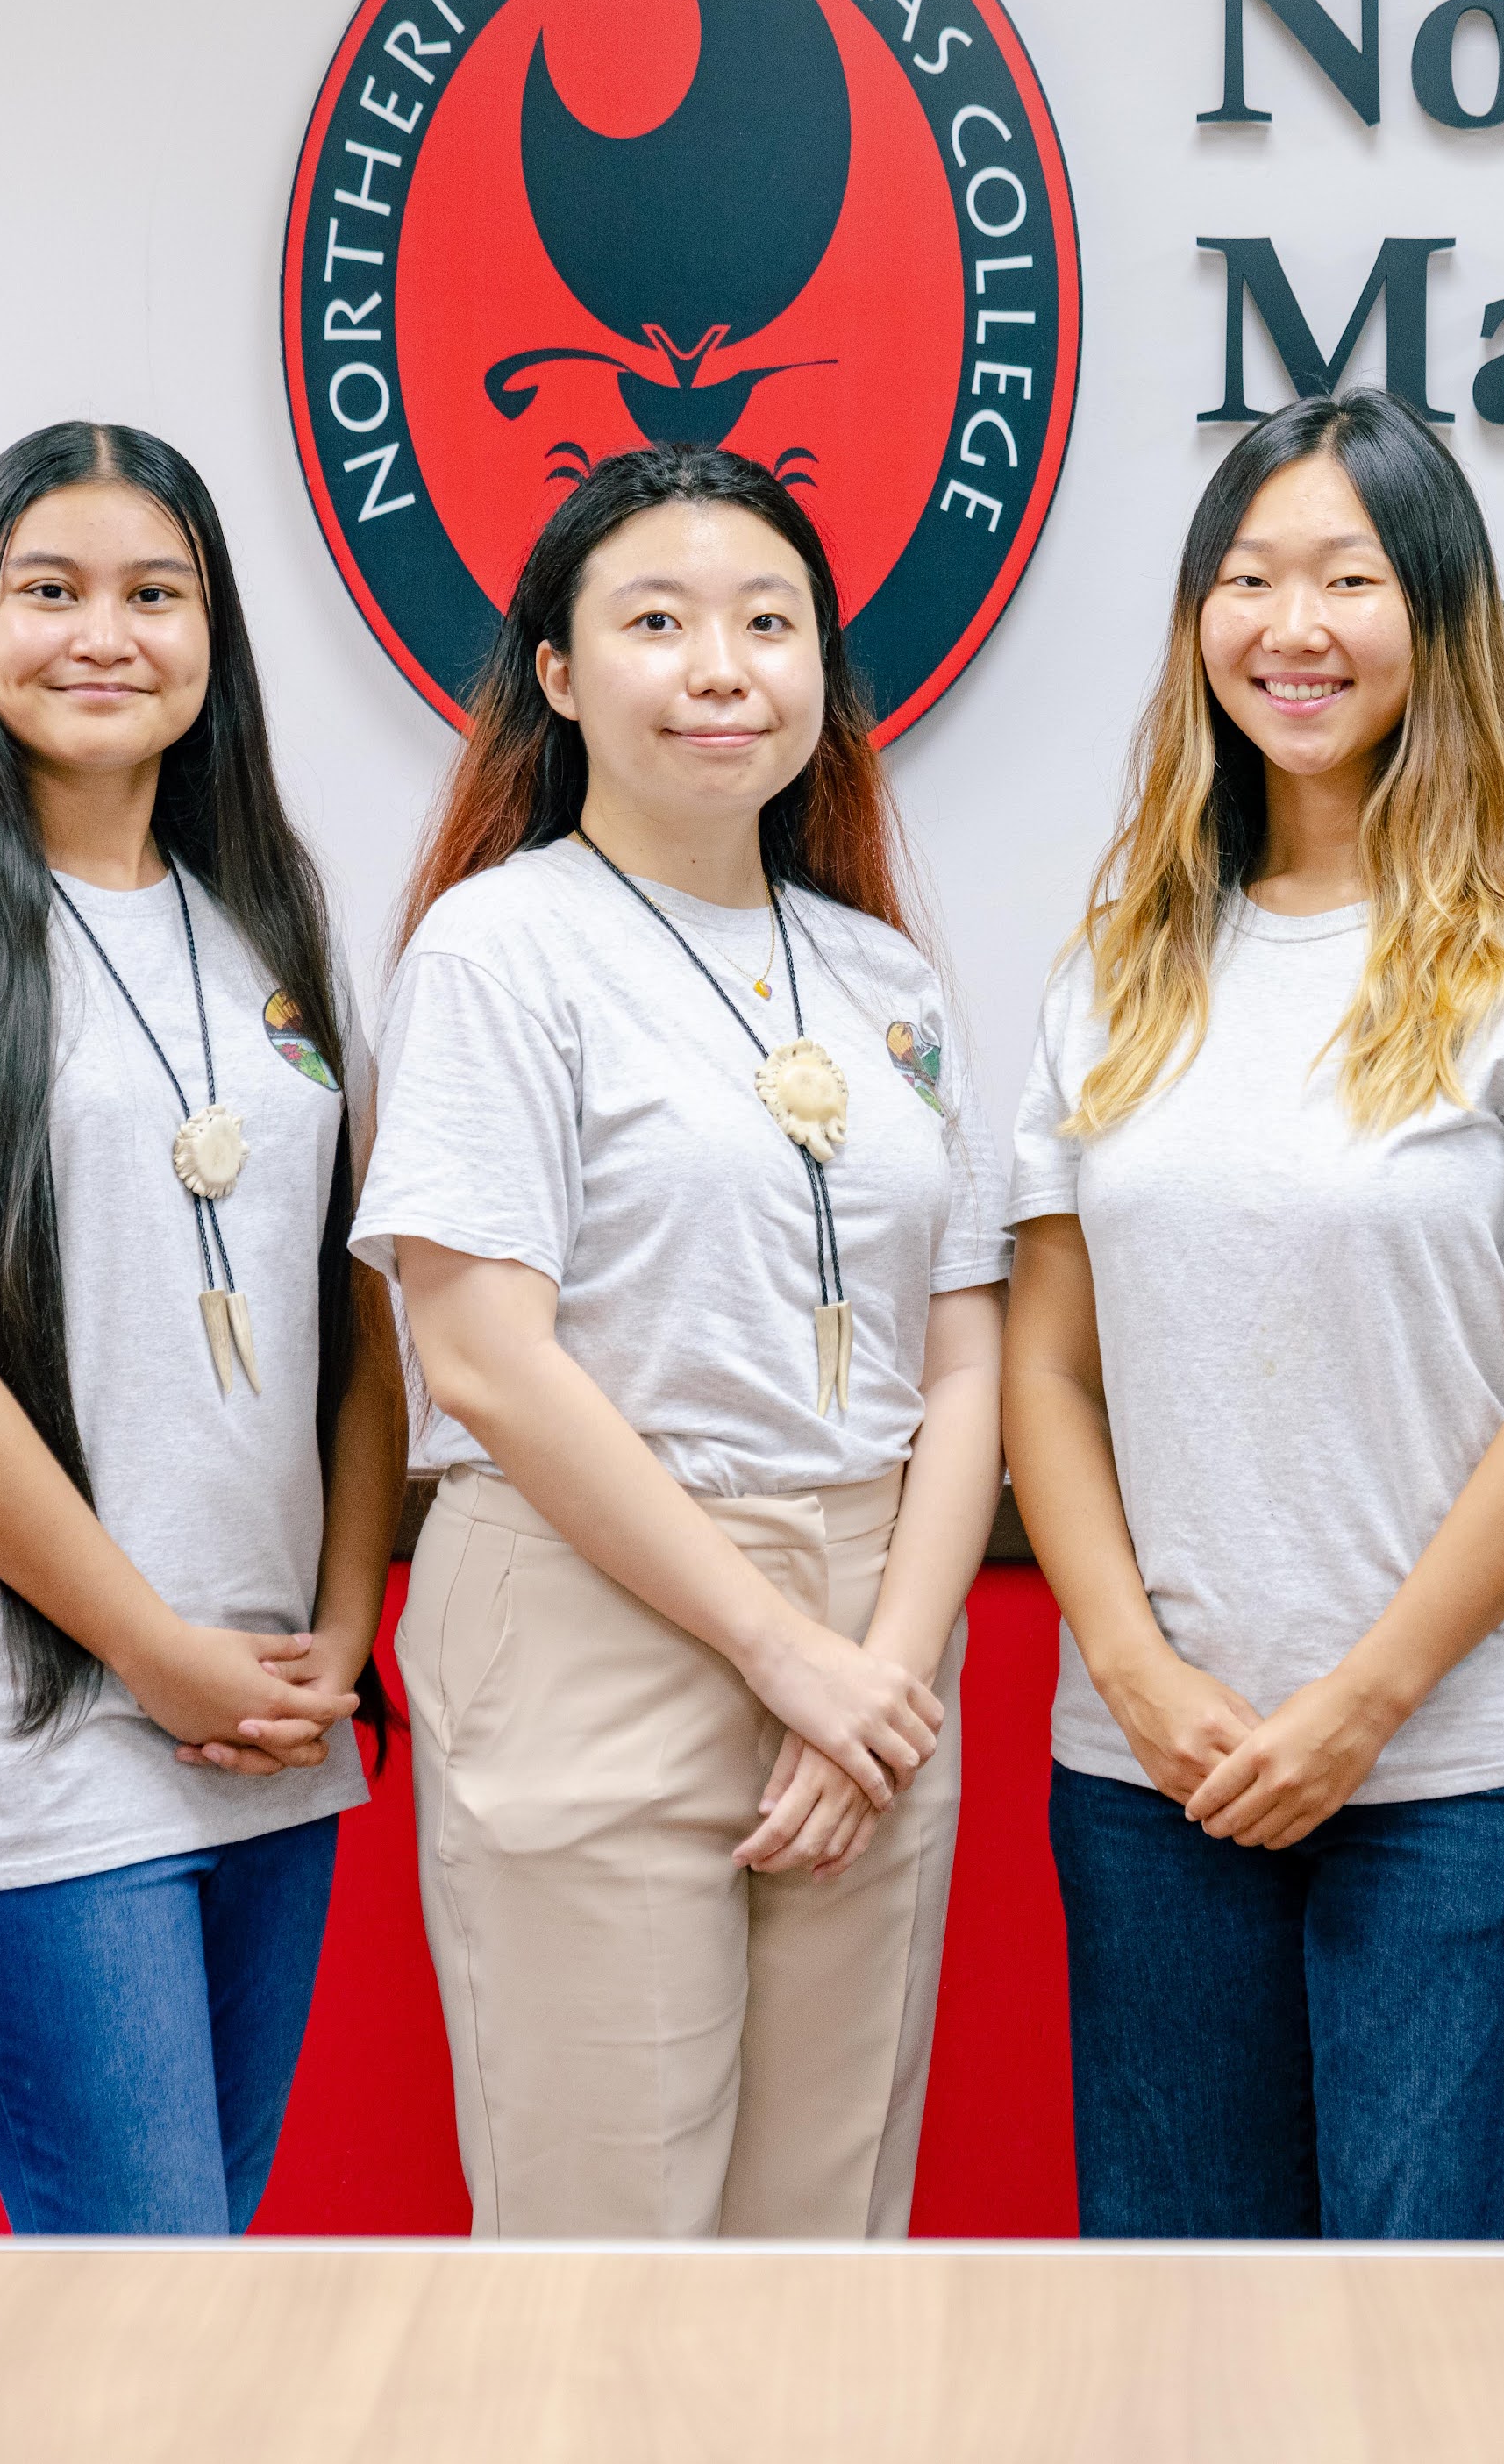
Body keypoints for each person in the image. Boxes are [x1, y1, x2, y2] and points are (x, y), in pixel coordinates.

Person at [1003, 388, 1504, 2240]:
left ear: (1440, 618)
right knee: (1183, 2330)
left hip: (1453, 1783)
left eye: (1349, 579)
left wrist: (1361, 1707)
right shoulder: (1118, 966)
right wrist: (1136, 1674)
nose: (1291, 627)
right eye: (1248, 578)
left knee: (1432, 2346)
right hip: (1152, 1779)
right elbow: (1046, 1366)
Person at [354, 442, 1007, 2239]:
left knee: (828, 2243)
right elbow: (483, 1358)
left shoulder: (884, 977)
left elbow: (963, 1357)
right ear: (558, 677)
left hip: (871, 1641)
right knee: (608, 2261)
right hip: (602, 1610)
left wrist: (877, 1671)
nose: (722, 668)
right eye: (657, 622)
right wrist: (780, 1655)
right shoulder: (500, 950)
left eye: (768, 623)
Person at [0, 422, 396, 2235]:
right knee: (143, 2292)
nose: (102, 635)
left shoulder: (267, 918)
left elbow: (358, 1328)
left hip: (270, 1720)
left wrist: (341, 1634)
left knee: (196, 2300)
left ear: (213, 639)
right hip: (39, 1722)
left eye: (153, 594)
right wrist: (153, 1653)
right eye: (50, 590)